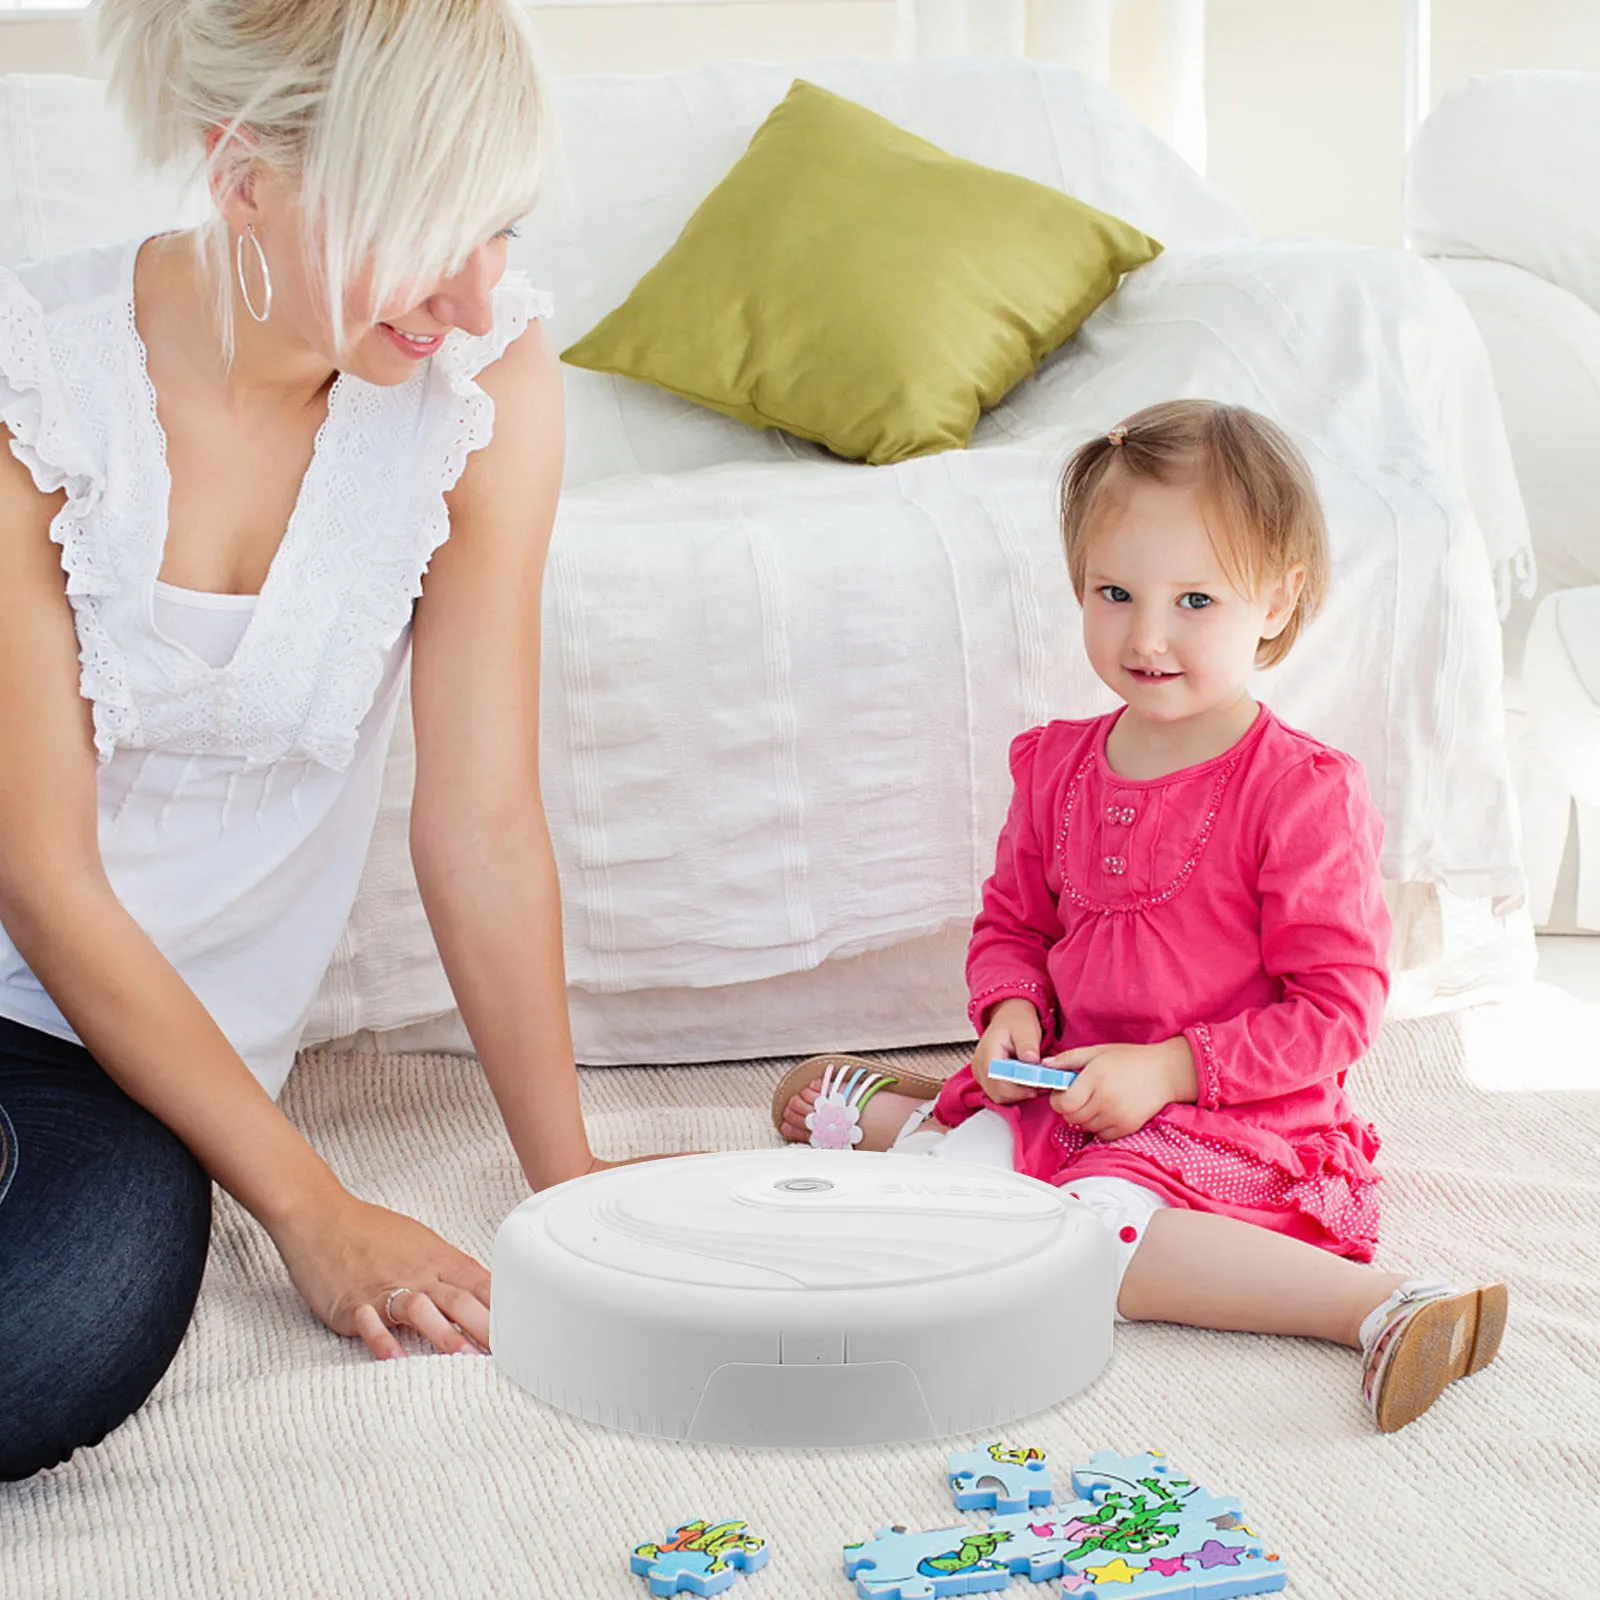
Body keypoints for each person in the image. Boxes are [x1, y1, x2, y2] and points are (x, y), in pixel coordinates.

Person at [0, 0, 675, 1482]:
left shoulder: (482, 382)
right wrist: (312, 1210)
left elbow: (481, 821)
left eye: (498, 225)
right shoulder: (32, 388)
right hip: (24, 975)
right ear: (245, 175)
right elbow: (39, 879)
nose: (475, 287)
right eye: (428, 228)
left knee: (53, 1324)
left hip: (96, 1078)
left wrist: (569, 1187)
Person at [773, 399, 1508, 1433]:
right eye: (1113, 592)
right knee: (971, 1198)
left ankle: (1384, 1307)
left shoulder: (1299, 790)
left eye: (1195, 599)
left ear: (1276, 600)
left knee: (1084, 1237)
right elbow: (1010, 928)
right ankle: (917, 1112)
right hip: (1072, 1090)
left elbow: (1335, 1011)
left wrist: (1167, 1070)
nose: (1146, 634)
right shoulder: (1056, 764)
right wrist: (1011, 1014)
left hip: (1231, 1110)